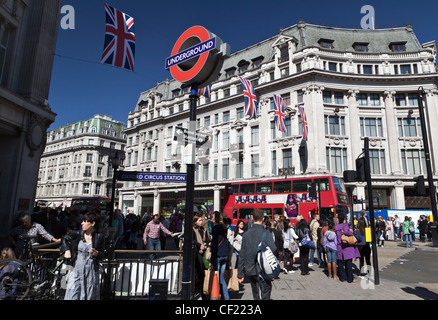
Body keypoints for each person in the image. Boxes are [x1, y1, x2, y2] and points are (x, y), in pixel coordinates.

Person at [62, 213, 106, 300]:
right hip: (76, 268)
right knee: (74, 291)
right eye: (82, 221)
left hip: (91, 270)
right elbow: (64, 238)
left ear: (92, 223)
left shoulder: (99, 236)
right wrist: (67, 250)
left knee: (89, 292)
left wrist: (97, 253)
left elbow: (104, 254)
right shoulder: (78, 234)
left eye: (85, 221)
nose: (82, 223)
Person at [237, 208, 277, 300]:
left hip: (251, 269)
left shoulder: (246, 235)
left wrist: (240, 274)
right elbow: (274, 249)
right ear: (263, 219)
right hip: (264, 268)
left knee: (255, 292)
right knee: (266, 291)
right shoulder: (266, 233)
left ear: (252, 218)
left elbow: (241, 255)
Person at [335, 213, 360, 283]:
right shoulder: (345, 226)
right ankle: (350, 278)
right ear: (344, 219)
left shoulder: (337, 227)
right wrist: (351, 231)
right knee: (348, 263)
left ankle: (343, 277)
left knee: (340, 263)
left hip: (339, 246)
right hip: (347, 246)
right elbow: (347, 232)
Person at [211, 212, 230, 300]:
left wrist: (212, 259)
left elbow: (214, 244)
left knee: (217, 277)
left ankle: (217, 295)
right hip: (225, 254)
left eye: (212, 217)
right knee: (221, 277)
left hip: (218, 255)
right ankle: (225, 297)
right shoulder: (224, 227)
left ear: (215, 218)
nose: (211, 219)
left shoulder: (215, 228)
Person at [192, 214, 209, 300]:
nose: (201, 222)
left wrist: (204, 246)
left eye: (201, 220)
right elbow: (193, 241)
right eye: (199, 220)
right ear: (195, 222)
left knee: (203, 271)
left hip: (204, 252)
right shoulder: (193, 230)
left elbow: (207, 240)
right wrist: (199, 246)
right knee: (198, 271)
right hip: (197, 253)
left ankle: (203, 290)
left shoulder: (204, 230)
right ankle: (198, 289)